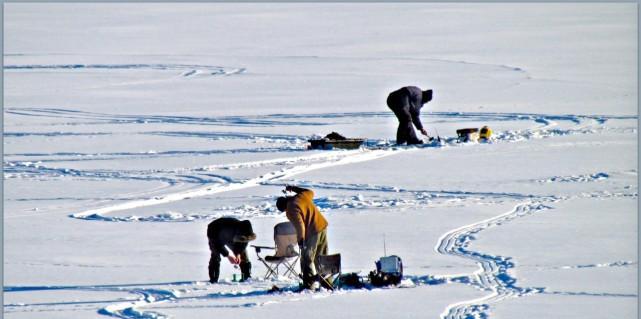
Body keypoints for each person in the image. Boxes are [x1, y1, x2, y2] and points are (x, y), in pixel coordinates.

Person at [276, 185, 328, 290]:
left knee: (306, 258)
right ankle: (327, 283)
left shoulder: (290, 209)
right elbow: (310, 192)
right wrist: (294, 188)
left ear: (283, 208)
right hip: (322, 226)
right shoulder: (301, 196)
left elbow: (300, 225)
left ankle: (308, 285)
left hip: (313, 232)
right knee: (322, 257)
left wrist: (301, 240)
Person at [206, 217, 256, 283]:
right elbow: (217, 245)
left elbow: (243, 243)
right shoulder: (223, 231)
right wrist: (228, 256)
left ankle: (246, 277)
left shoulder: (244, 229)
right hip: (214, 232)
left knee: (243, 254)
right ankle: (213, 279)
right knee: (216, 255)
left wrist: (238, 254)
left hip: (232, 235)